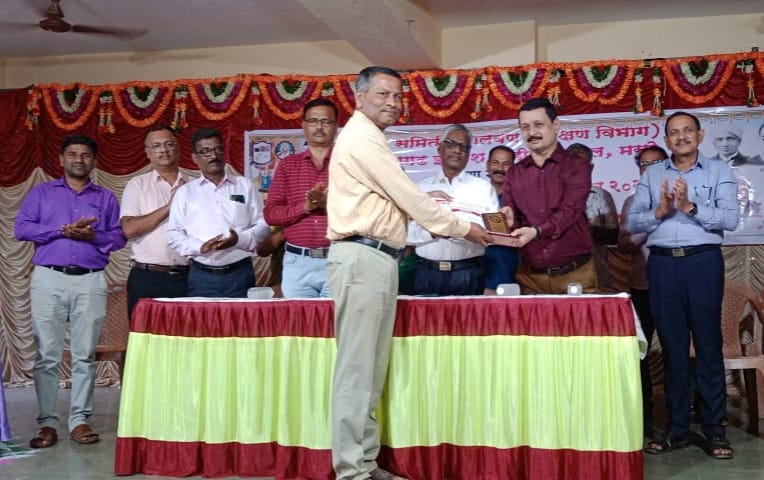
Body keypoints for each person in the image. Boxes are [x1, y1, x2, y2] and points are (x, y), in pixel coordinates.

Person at [326, 65, 491, 480]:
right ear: (359, 96)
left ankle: (363, 463)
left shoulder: (371, 138)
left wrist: (434, 210)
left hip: (379, 258)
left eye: (398, 96)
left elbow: (402, 199)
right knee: (357, 370)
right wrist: (466, 229)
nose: (393, 103)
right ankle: (351, 470)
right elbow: (411, 200)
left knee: (371, 369)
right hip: (362, 257)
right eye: (383, 94)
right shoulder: (362, 138)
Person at [627, 112, 738, 460]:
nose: (681, 137)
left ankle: (715, 430)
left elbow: (731, 218)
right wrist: (659, 212)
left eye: (687, 131)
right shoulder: (653, 174)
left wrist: (690, 206)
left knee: (707, 345)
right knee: (673, 349)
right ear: (666, 140)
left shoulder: (719, 171)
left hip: (703, 262)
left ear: (700, 136)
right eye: (674, 133)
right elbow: (632, 222)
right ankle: (676, 429)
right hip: (662, 265)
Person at [14, 134, 126, 449]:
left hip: (90, 281)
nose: (79, 159)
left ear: (94, 161)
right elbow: (22, 228)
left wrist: (92, 237)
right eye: (73, 154)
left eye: (86, 155)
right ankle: (47, 423)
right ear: (62, 159)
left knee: (84, 355)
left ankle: (79, 420)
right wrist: (59, 230)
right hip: (48, 279)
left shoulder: (105, 197)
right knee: (47, 355)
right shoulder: (42, 193)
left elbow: (118, 238)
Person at [499, 97, 595, 294]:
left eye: (538, 125)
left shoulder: (577, 166)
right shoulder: (515, 173)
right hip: (530, 278)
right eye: (525, 127)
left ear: (555, 125)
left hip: (575, 275)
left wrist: (536, 231)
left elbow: (570, 211)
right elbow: (513, 217)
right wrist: (507, 223)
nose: (531, 133)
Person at [167, 127, 270, 298]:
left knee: (242, 316)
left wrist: (239, 240)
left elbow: (263, 225)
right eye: (205, 151)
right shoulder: (186, 192)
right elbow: (173, 234)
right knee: (202, 317)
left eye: (218, 149)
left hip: (240, 273)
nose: (213, 155)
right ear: (195, 158)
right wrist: (200, 247)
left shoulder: (244, 185)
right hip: (201, 276)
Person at [611, 145, 668, 428]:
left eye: (655, 163)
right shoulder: (632, 201)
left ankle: (684, 408)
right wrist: (648, 224)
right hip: (640, 284)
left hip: (670, 284)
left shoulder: (680, 196)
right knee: (639, 351)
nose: (649, 169)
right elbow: (624, 243)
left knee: (676, 347)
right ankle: (643, 413)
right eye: (644, 164)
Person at [407, 124, 498, 296]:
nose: (457, 150)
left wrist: (448, 228)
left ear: (469, 153)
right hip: (427, 273)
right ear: (440, 148)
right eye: (451, 144)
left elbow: (492, 234)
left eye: (464, 147)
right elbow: (405, 234)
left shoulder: (484, 189)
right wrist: (434, 232)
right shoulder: (420, 189)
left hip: (468, 272)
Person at [263, 98, 337, 298]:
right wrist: (305, 206)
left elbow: (361, 211)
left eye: (326, 121)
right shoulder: (288, 166)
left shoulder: (347, 163)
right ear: (303, 125)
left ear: (336, 126)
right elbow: (271, 214)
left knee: (335, 317)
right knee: (299, 318)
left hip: (338, 259)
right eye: (313, 121)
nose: (319, 126)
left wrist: (328, 205)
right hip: (297, 262)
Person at [120, 126, 192, 320]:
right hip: (148, 276)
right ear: (148, 152)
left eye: (169, 144)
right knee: (145, 335)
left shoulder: (195, 184)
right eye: (157, 146)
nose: (164, 150)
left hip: (189, 276)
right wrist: (170, 206)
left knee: (186, 336)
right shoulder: (138, 184)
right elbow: (129, 229)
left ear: (178, 148)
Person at [567, 142, 619, 292]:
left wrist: (589, 229)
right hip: (560, 276)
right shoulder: (550, 196)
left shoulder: (601, 195)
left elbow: (613, 237)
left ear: (590, 168)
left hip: (596, 274)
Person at [483, 145, 520, 294]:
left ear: (513, 168)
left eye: (506, 164)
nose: (500, 168)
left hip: (508, 268)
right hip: (475, 269)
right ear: (487, 165)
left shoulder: (521, 198)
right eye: (495, 163)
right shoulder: (475, 194)